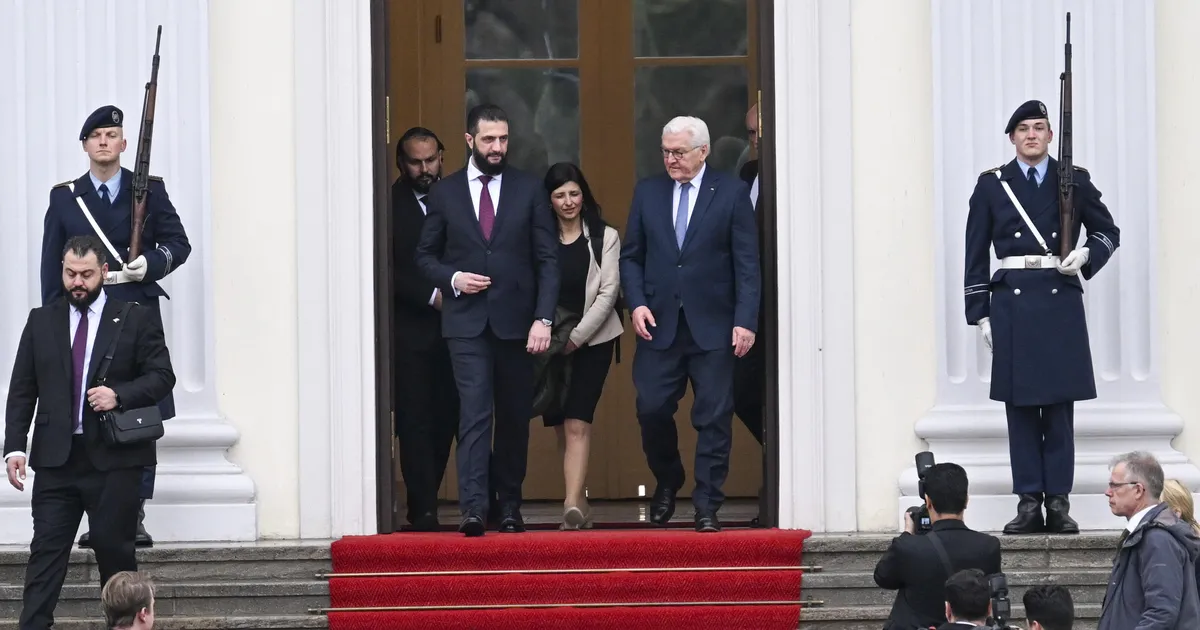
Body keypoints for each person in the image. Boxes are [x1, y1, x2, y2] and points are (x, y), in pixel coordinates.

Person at [963, 99, 1120, 535]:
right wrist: (980, 315)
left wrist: (1086, 254)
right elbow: (974, 253)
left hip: (1059, 300)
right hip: (1011, 305)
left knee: (1058, 411)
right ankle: (1029, 501)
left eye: (1039, 127)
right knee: (1020, 411)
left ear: (1051, 136)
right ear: (1012, 138)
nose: (1031, 135)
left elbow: (1108, 231)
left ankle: (1059, 503)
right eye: (1023, 129)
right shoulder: (993, 185)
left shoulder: (1074, 180)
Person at [4, 235, 176, 630]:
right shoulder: (41, 320)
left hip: (116, 462)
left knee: (116, 559)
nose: (77, 282)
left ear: (104, 272)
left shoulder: (135, 317)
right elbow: (23, 389)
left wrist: (119, 395)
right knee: (45, 555)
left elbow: (162, 376)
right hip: (56, 462)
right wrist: (14, 448)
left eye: (86, 274)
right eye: (70, 274)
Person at [41, 105, 191, 548]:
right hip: (85, 313)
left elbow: (178, 244)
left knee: (137, 408)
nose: (104, 142)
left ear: (124, 144)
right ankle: (97, 511)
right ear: (85, 145)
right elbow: (52, 266)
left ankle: (133, 513)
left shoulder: (150, 190)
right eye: (96, 136)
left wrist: (152, 264)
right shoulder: (65, 198)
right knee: (88, 410)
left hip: (134, 313)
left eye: (112, 135)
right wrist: (54, 323)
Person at [415, 103, 558, 537]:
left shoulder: (529, 189)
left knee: (514, 417)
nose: (497, 147)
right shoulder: (445, 193)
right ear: (469, 140)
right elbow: (425, 257)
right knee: (475, 415)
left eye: (503, 139)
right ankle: (474, 508)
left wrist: (544, 319)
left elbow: (547, 260)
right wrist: (453, 279)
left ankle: (510, 506)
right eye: (489, 139)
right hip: (466, 324)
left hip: (518, 324)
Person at [620, 115, 760, 533]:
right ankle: (668, 478)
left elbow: (747, 264)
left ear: (703, 151)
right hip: (659, 323)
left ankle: (707, 505)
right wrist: (636, 303)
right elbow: (631, 256)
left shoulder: (731, 192)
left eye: (679, 152)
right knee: (651, 408)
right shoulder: (648, 192)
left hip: (715, 326)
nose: (671, 159)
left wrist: (745, 321)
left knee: (714, 417)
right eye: (666, 152)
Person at [535, 162, 623, 530]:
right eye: (560, 195)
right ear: (549, 201)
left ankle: (570, 503)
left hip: (593, 341)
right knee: (561, 425)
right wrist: (552, 336)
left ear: (583, 195)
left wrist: (577, 337)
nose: (568, 201)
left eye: (574, 193)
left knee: (577, 421)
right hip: (551, 342)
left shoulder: (605, 236)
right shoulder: (540, 239)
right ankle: (580, 501)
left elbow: (608, 293)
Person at [391, 126, 460, 532]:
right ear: (402, 164)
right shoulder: (386, 205)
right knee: (414, 418)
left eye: (430, 160)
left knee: (449, 416)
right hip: (411, 330)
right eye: (415, 162)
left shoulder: (457, 198)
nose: (424, 169)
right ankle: (423, 508)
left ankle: (430, 496)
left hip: (459, 328)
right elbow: (385, 266)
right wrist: (431, 295)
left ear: (441, 157)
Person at [874, 463, 1002, 630]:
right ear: (966, 500)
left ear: (928, 501)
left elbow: (882, 577)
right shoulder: (988, 546)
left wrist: (907, 533)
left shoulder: (908, 546)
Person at [1098, 451, 1200, 629]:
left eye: (1115, 485)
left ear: (1138, 490)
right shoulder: (1146, 534)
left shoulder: (1157, 538)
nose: (1108, 492)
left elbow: (1161, 613)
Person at [736, 102, 766, 527]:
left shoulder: (795, 176)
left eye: (759, 131)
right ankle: (775, 458)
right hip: (748, 307)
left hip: (785, 304)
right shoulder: (747, 175)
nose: (755, 140)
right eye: (750, 133)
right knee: (741, 392)